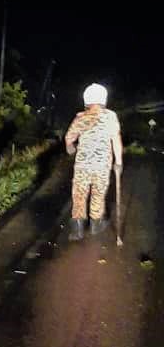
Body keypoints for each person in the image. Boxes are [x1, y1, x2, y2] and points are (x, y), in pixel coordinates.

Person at [64, 83, 123, 241]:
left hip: (82, 166)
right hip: (102, 166)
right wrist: (118, 162)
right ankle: (96, 225)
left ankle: (77, 230)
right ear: (104, 99)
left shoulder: (81, 118)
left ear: (87, 100)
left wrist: (71, 148)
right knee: (98, 194)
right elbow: (116, 140)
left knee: (79, 196)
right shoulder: (111, 117)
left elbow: (69, 138)